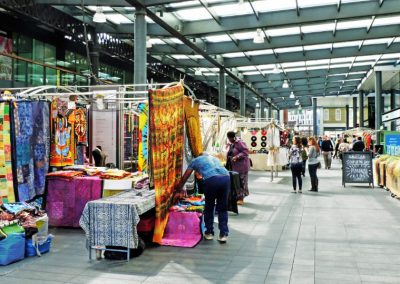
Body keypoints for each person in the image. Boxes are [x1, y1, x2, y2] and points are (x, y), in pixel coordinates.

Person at [175, 153, 230, 243]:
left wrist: (178, 190)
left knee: (209, 206)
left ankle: (209, 233)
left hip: (211, 179)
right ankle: (223, 234)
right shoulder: (214, 158)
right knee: (223, 208)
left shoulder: (195, 161)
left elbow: (185, 177)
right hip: (226, 178)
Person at [226, 131, 250, 205]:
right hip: (234, 166)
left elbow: (246, 152)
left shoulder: (239, 142)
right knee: (236, 182)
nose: (229, 140)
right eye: (228, 138)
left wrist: (237, 156)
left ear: (233, 137)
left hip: (242, 166)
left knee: (242, 182)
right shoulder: (231, 143)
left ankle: (241, 198)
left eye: (230, 138)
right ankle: (238, 197)